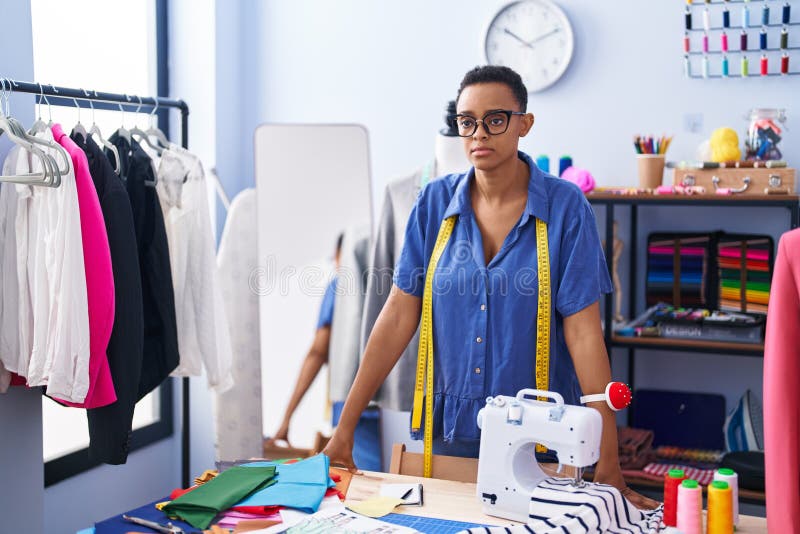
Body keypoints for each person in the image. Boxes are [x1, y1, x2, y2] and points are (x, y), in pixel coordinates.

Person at [323, 65, 658, 509]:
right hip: (452, 431)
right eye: (467, 122)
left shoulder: (564, 208)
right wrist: (343, 431)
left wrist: (609, 461)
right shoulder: (433, 204)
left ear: (525, 123)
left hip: (543, 435)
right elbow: (399, 315)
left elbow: (583, 335)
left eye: (495, 120)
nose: (479, 133)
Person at [265, 234, 342, 446]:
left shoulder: (338, 286)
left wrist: (286, 418)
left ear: (339, 256)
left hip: (354, 412)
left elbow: (318, 353)